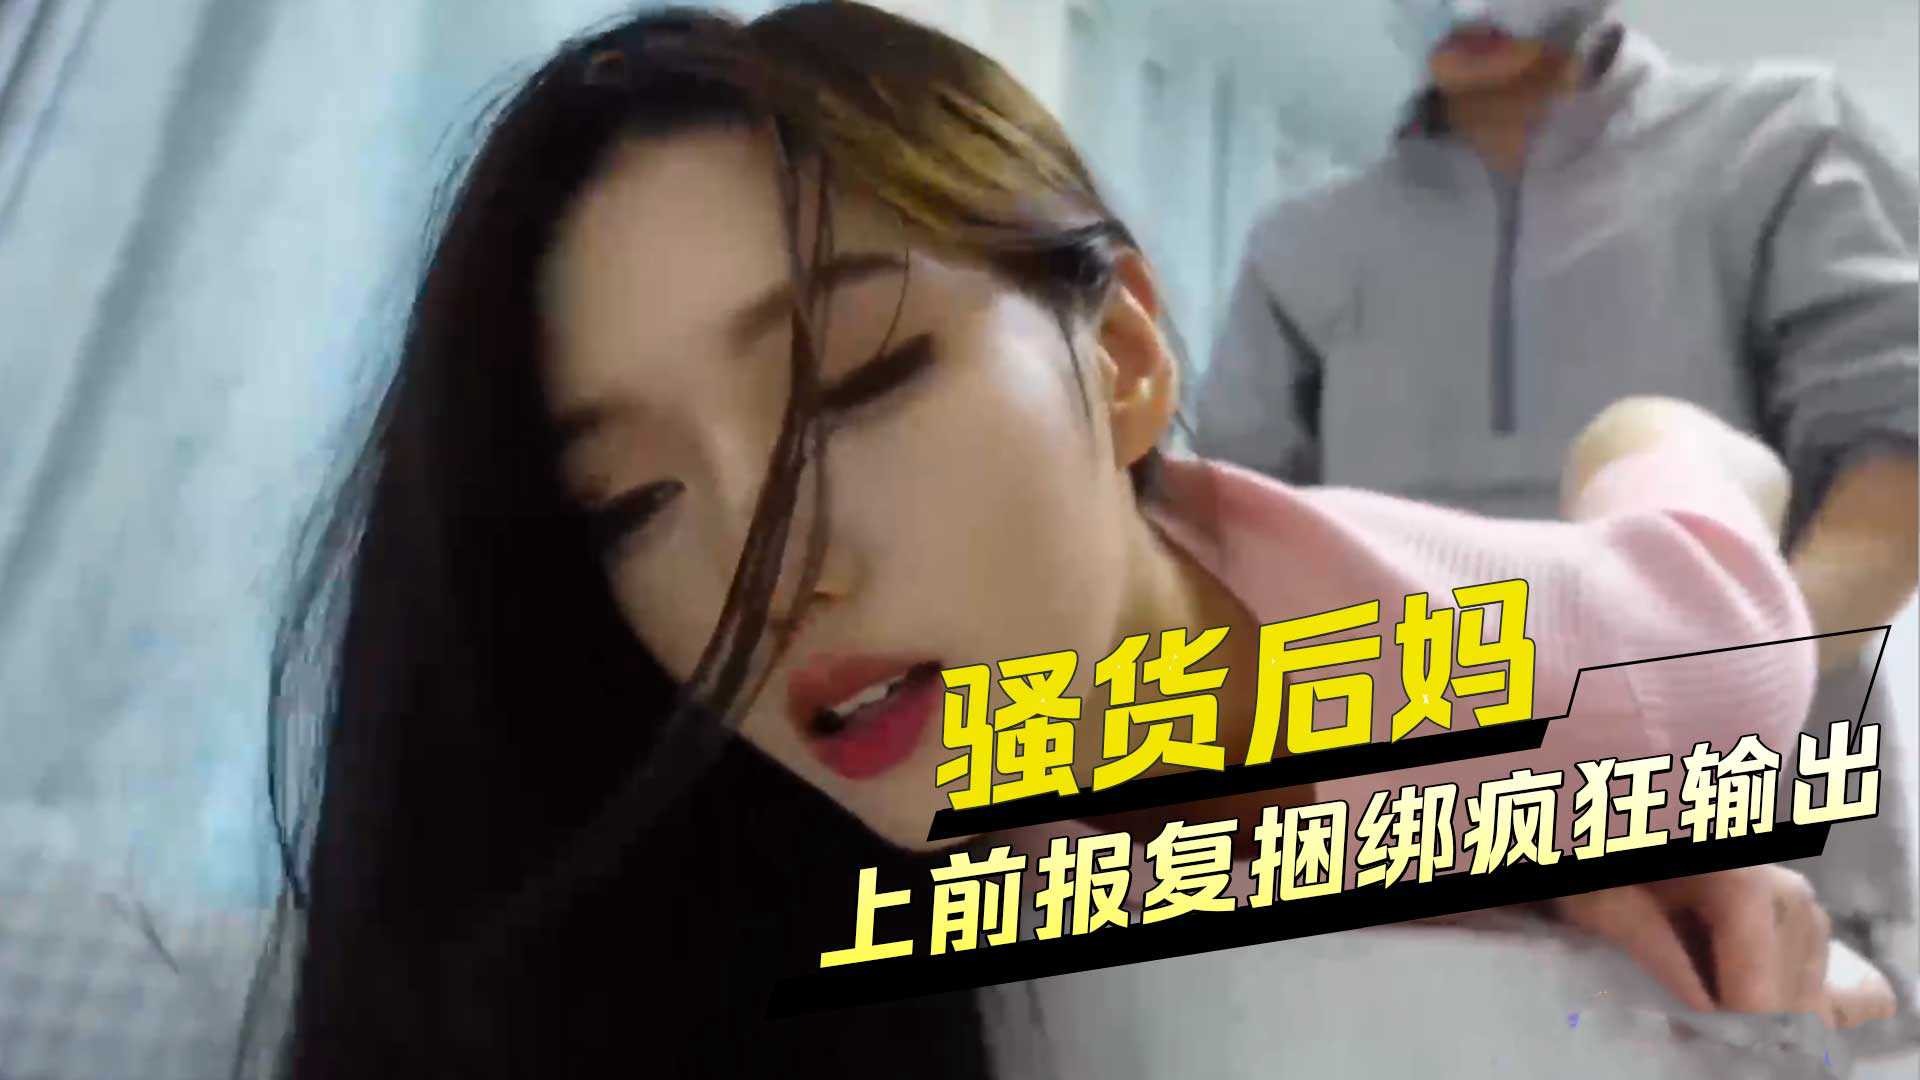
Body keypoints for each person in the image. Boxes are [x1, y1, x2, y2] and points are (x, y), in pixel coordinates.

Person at [254, 5, 1891, 1077]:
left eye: (855, 377)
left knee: (1666, 468)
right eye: (631, 502)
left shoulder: (1605, 666)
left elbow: (1737, 604)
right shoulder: (734, 849)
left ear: (1119, 356)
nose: (765, 577)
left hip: (1553, 586)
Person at [1197, 0, 1920, 1012]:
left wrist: (1666, 727)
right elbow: (1229, 569)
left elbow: (1892, 481)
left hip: (1766, 874)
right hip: (1429, 890)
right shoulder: (1305, 245)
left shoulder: (1785, 139)